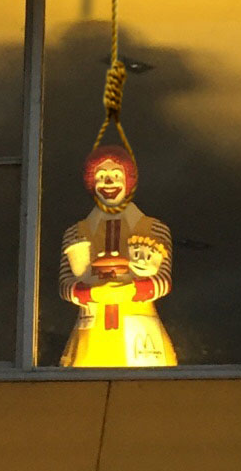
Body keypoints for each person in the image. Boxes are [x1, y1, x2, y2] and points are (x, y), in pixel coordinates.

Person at [58, 145, 176, 367]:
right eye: (101, 176)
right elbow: (65, 285)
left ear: (128, 180)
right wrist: (90, 293)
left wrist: (131, 290)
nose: (109, 182)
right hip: (91, 334)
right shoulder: (75, 233)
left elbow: (163, 281)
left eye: (116, 175)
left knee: (146, 384)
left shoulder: (154, 229)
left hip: (140, 331)